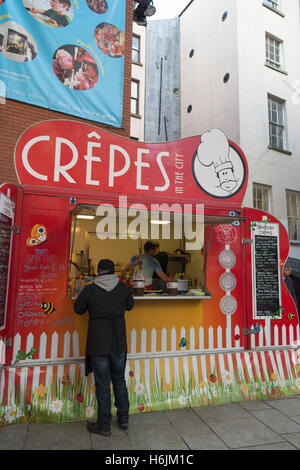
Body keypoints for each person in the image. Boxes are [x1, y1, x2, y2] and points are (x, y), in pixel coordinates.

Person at [74, 259, 134, 436]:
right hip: (118, 343)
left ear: (98, 271)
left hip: (98, 344)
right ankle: (123, 419)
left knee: (102, 386)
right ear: (112, 271)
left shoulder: (90, 289)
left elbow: (78, 309)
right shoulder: (122, 287)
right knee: (119, 380)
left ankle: (104, 426)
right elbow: (130, 306)